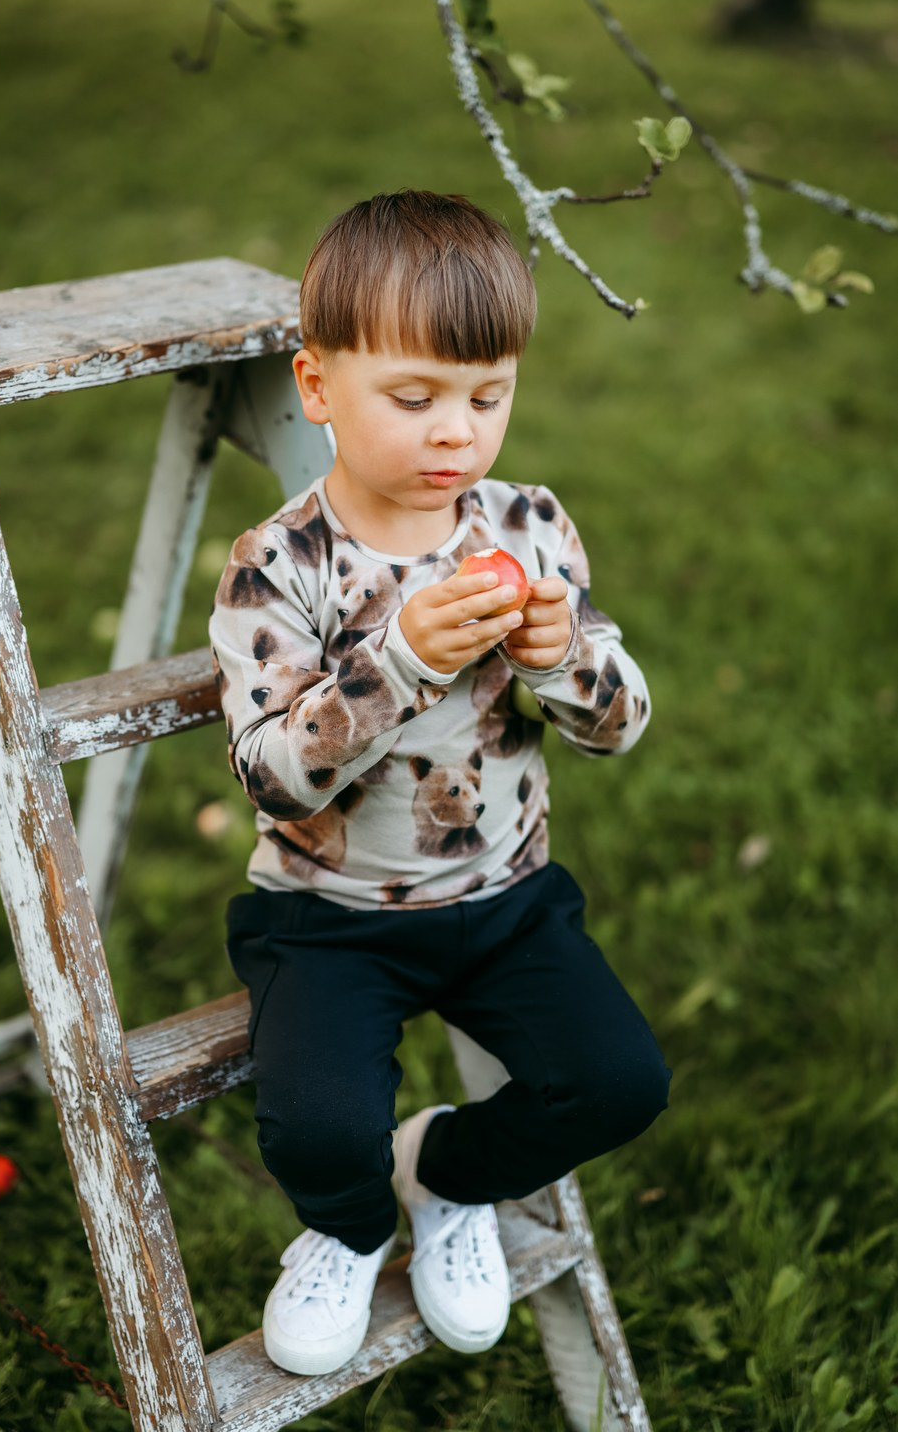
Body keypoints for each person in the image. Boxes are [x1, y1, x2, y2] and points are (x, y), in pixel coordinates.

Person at [209, 189, 671, 1378]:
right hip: (329, 918)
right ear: (318, 389)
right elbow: (268, 777)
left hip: (503, 898)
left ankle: (441, 1175)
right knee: (313, 1124)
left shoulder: (527, 527)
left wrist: (561, 654)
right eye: (412, 398)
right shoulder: (279, 565)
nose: (455, 432)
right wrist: (400, 660)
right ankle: (351, 1225)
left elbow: (617, 729)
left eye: (486, 395)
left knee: (617, 1081)